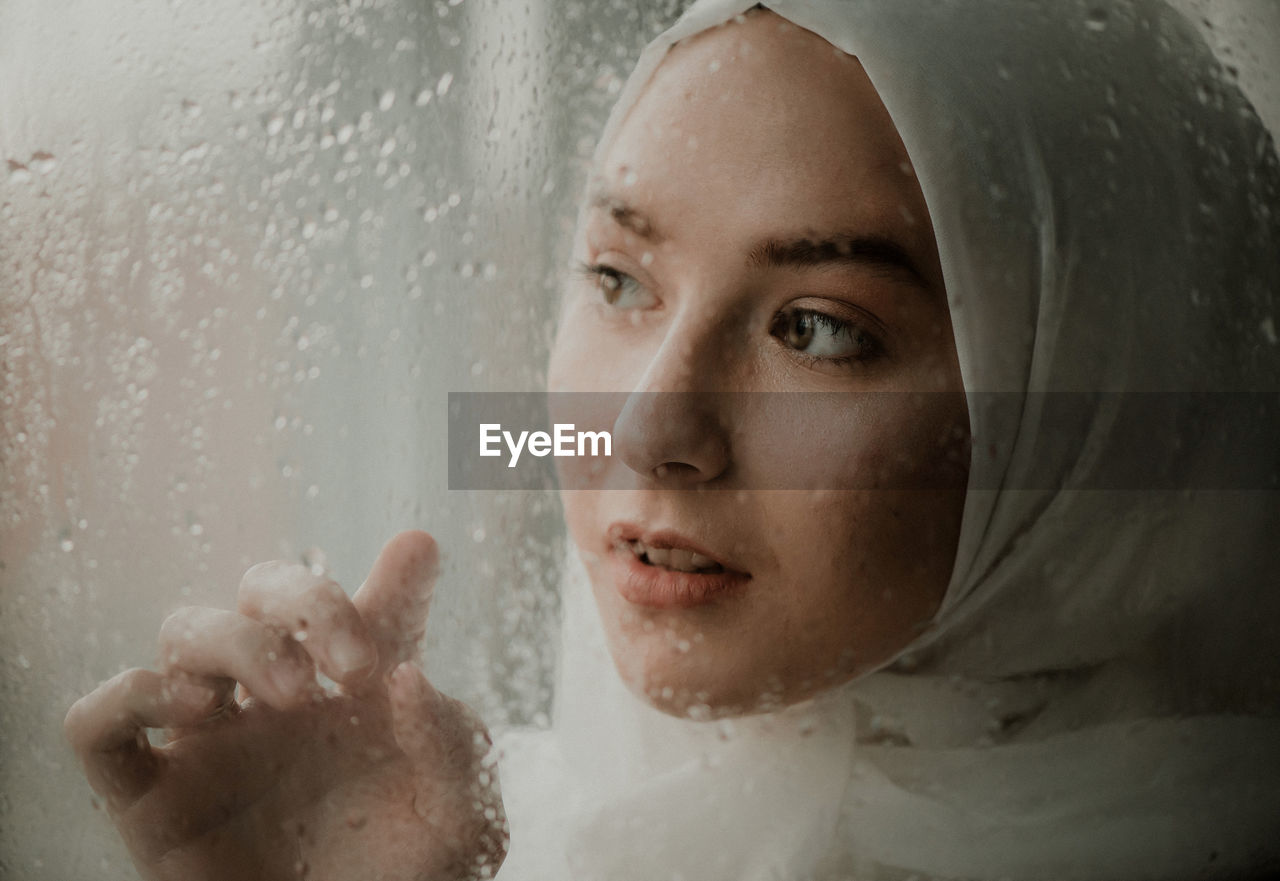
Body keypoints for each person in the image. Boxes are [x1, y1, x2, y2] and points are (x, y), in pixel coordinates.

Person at [65, 0, 1280, 879]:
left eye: (817, 328)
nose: (647, 427)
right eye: (616, 275)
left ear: (1104, 398)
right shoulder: (526, 834)